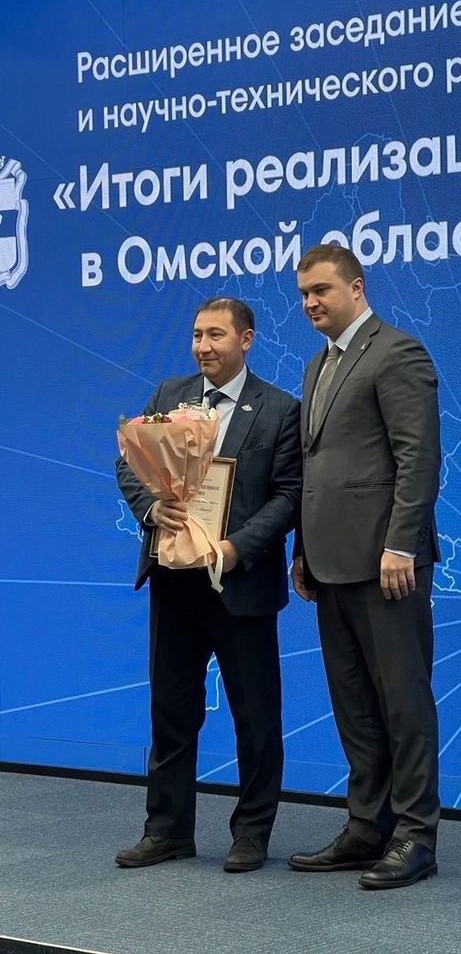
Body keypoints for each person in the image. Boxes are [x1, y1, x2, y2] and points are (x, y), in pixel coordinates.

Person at [115, 297, 301, 873]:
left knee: (256, 717)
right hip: (175, 580)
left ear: (246, 340)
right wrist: (151, 509)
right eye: (197, 334)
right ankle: (167, 831)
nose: (203, 346)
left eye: (215, 335)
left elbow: (290, 494)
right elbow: (127, 463)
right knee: (171, 710)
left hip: (240, 581)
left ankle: (251, 833)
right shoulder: (168, 395)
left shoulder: (279, 409)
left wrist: (238, 546)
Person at [289, 244, 442, 890]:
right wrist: (301, 549)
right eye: (303, 294)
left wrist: (401, 543)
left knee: (403, 703)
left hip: (387, 564)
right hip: (330, 564)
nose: (310, 303)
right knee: (353, 705)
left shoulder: (397, 352)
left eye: (321, 290)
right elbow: (315, 468)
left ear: (357, 287)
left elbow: (419, 458)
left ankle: (415, 835)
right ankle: (366, 827)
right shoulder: (316, 364)